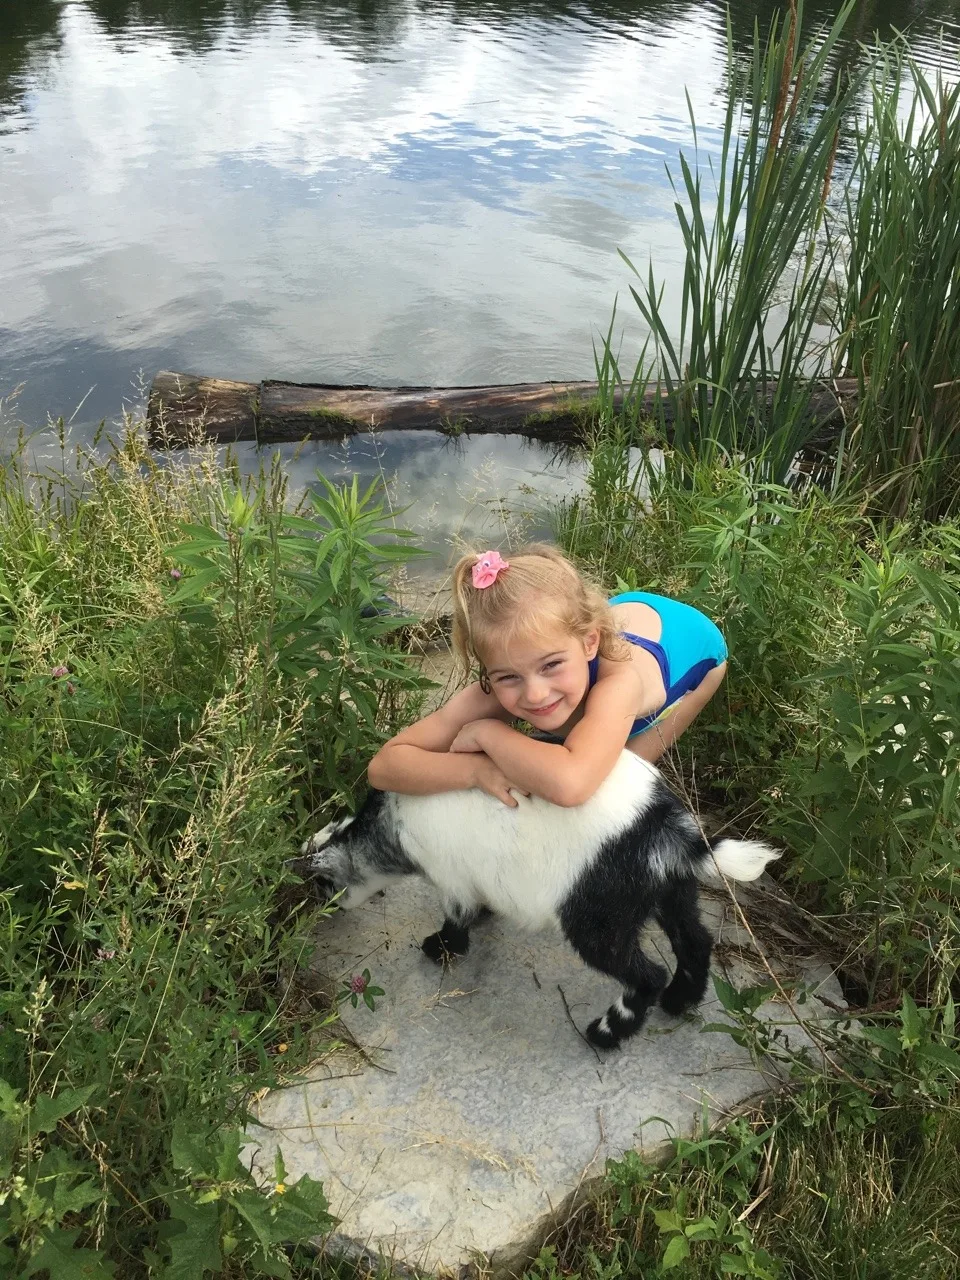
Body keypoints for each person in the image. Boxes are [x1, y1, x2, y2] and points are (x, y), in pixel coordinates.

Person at [367, 544, 727, 808]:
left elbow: (572, 785)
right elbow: (384, 766)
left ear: (590, 643)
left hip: (695, 652)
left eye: (551, 666)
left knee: (616, 782)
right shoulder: (528, 661)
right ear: (487, 671)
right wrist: (475, 770)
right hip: (600, 623)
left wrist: (488, 733)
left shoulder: (619, 684)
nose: (535, 694)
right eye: (507, 677)